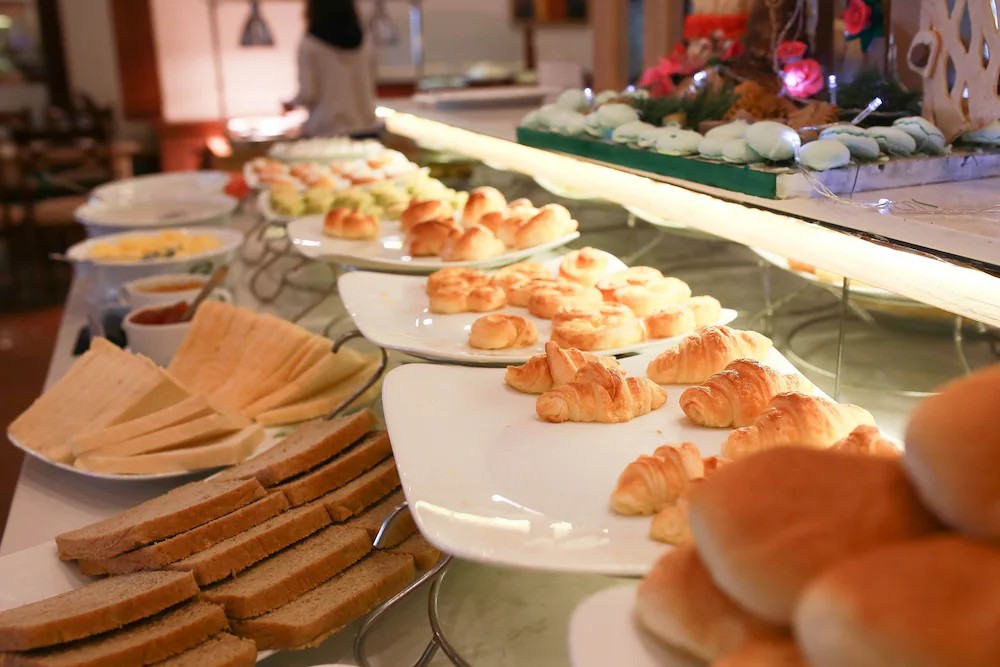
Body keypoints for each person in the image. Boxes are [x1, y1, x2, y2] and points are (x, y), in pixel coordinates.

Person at [283, 0, 378, 138]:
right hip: (365, 127)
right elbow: (373, 79)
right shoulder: (365, 40)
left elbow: (308, 93)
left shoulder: (310, 43)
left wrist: (291, 104)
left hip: (327, 130)